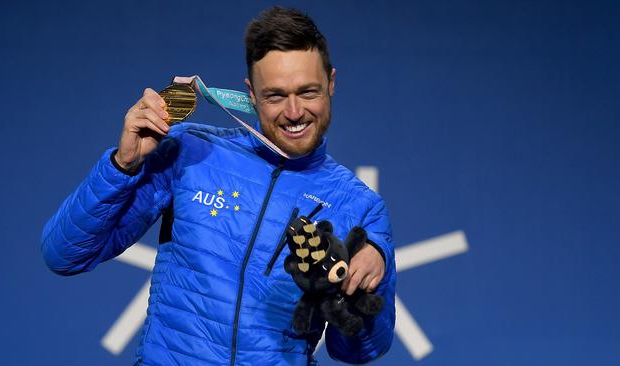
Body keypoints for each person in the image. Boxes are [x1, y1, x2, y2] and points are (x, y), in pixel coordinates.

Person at [41, 6, 396, 366]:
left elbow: (358, 350)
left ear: (331, 83)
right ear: (251, 94)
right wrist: (122, 165)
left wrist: (369, 282)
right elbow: (64, 255)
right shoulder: (191, 152)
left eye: (308, 92)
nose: (293, 112)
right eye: (275, 95)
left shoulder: (361, 205)